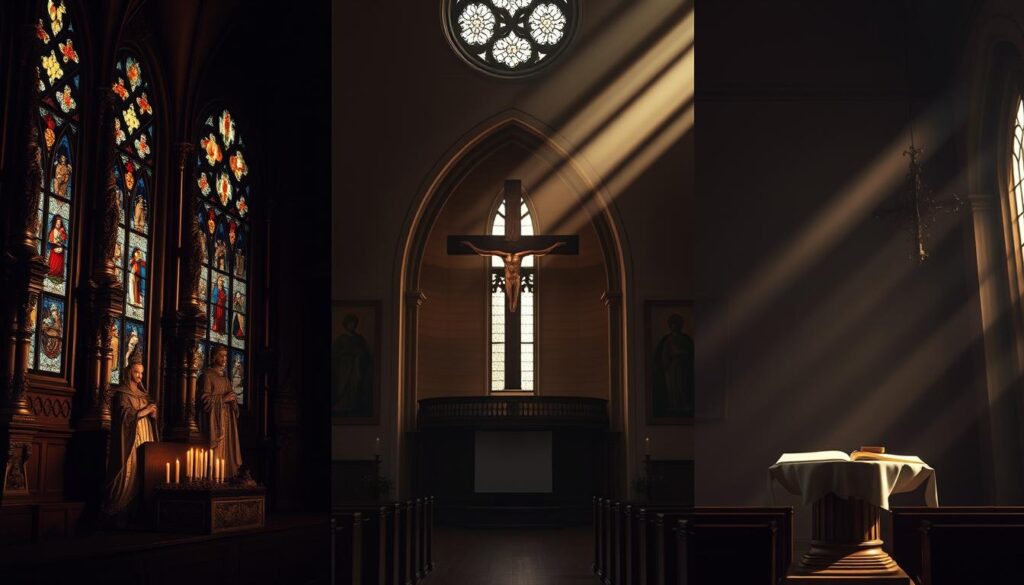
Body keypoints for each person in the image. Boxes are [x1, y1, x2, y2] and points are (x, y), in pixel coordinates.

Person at [102, 350, 159, 517]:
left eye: (142, 373)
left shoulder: (144, 395)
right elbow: (123, 417)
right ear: (129, 372)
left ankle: (139, 508)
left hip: (145, 435)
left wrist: (153, 414)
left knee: (144, 468)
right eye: (136, 372)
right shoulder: (121, 394)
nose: (140, 376)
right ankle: (118, 508)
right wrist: (144, 411)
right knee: (130, 468)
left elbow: (149, 415)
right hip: (129, 438)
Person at [458, 240, 565, 312]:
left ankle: (513, 306)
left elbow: (539, 252)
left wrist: (554, 246)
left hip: (517, 278)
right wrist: (470, 245)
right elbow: (484, 253)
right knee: (511, 305)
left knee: (514, 305)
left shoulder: (520, 255)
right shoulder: (503, 255)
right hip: (508, 278)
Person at [199, 345, 242, 477]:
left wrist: (233, 401)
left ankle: (227, 476)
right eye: (221, 355)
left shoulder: (226, 380)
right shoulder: (207, 376)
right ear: (213, 356)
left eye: (225, 356)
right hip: (214, 424)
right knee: (216, 456)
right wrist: (223, 399)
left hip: (227, 424)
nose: (224, 359)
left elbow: (234, 406)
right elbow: (204, 401)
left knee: (227, 455)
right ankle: (215, 478)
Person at [652, 314, 695, 418]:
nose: (675, 326)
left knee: (683, 385)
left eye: (677, 324)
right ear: (670, 326)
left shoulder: (686, 339)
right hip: (671, 368)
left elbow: (691, 353)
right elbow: (663, 355)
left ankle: (684, 404)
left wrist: (684, 355)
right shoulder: (667, 340)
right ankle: (673, 405)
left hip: (684, 367)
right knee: (673, 387)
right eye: (673, 324)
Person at [332, 314, 373, 416]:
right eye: (350, 324)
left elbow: (366, 354)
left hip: (356, 366)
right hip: (344, 368)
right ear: (346, 325)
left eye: (353, 324)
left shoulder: (359, 338)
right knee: (343, 386)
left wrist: (359, 353)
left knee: (355, 385)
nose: (352, 326)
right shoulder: (341, 338)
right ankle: (341, 406)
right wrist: (345, 353)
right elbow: (335, 353)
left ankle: (353, 406)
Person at [46, 216, 67, 280]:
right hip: (54, 248)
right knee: (53, 262)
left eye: (59, 224)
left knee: (59, 263)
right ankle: (52, 273)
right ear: (54, 224)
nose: (58, 225)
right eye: (57, 223)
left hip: (60, 250)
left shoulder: (62, 232)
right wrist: (55, 242)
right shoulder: (52, 231)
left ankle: (59, 274)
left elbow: (64, 240)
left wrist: (61, 237)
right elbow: (51, 240)